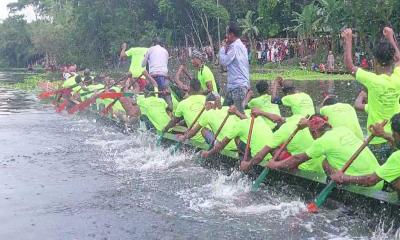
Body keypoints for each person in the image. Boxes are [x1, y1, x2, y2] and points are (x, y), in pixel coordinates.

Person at [266, 115, 383, 190]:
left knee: (325, 162)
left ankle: (339, 184)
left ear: (314, 133)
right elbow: (315, 124)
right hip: (378, 180)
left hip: (365, 185)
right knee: (325, 162)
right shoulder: (343, 129)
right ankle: (337, 180)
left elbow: (297, 159)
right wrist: (307, 123)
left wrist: (275, 165)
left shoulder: (321, 141)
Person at [342, 27, 400, 163]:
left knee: (378, 175)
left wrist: (348, 40)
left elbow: (350, 66)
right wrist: (391, 37)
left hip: (376, 140)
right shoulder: (398, 78)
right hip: (396, 137)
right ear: (392, 60)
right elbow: (399, 58)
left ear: (375, 62)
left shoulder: (373, 80)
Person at [330, 114, 400, 191]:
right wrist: (383, 134)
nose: (392, 136)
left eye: (393, 134)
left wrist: (343, 178)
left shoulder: (397, 157)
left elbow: (370, 180)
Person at [240, 112, 324, 174]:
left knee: (274, 150)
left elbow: (260, 156)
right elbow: (279, 118)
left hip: (304, 169)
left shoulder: (283, 130)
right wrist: (260, 112)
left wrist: (248, 165)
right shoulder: (300, 117)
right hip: (322, 169)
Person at [200, 106, 274, 165]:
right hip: (271, 156)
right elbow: (246, 118)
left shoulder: (239, 125)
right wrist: (237, 112)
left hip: (256, 159)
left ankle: (244, 160)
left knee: (237, 138)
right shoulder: (260, 119)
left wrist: (208, 153)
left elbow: (221, 145)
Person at [162, 78, 206, 143]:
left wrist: (165, 129)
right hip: (210, 137)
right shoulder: (208, 100)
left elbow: (173, 121)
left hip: (195, 139)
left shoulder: (183, 103)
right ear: (200, 88)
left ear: (190, 88)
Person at [219, 23, 250, 113]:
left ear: (231, 34)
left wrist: (223, 48)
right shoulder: (241, 46)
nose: (226, 36)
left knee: (239, 115)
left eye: (227, 34)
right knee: (225, 112)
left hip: (238, 86)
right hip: (235, 86)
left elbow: (224, 62)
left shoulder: (235, 46)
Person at [142, 37, 172, 111]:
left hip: (153, 77)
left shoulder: (150, 49)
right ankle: (170, 108)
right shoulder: (165, 51)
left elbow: (143, 64)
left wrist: (145, 58)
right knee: (166, 93)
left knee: (146, 90)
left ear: (153, 43)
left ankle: (147, 108)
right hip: (164, 77)